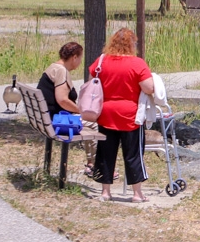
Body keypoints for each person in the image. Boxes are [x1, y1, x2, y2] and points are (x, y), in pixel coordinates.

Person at [90, 28, 154, 202]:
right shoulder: (137, 63)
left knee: (105, 153)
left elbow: (91, 81)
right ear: (132, 44)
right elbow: (148, 88)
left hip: (106, 113)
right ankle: (137, 193)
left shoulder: (101, 61)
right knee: (133, 153)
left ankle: (105, 192)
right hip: (130, 115)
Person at [38, 41, 98, 176]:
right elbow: (62, 100)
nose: (80, 61)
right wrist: (81, 111)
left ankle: (92, 163)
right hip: (56, 121)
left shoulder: (54, 67)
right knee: (95, 124)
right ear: (74, 57)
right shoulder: (61, 71)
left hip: (47, 118)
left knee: (90, 123)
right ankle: (95, 165)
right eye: (80, 58)